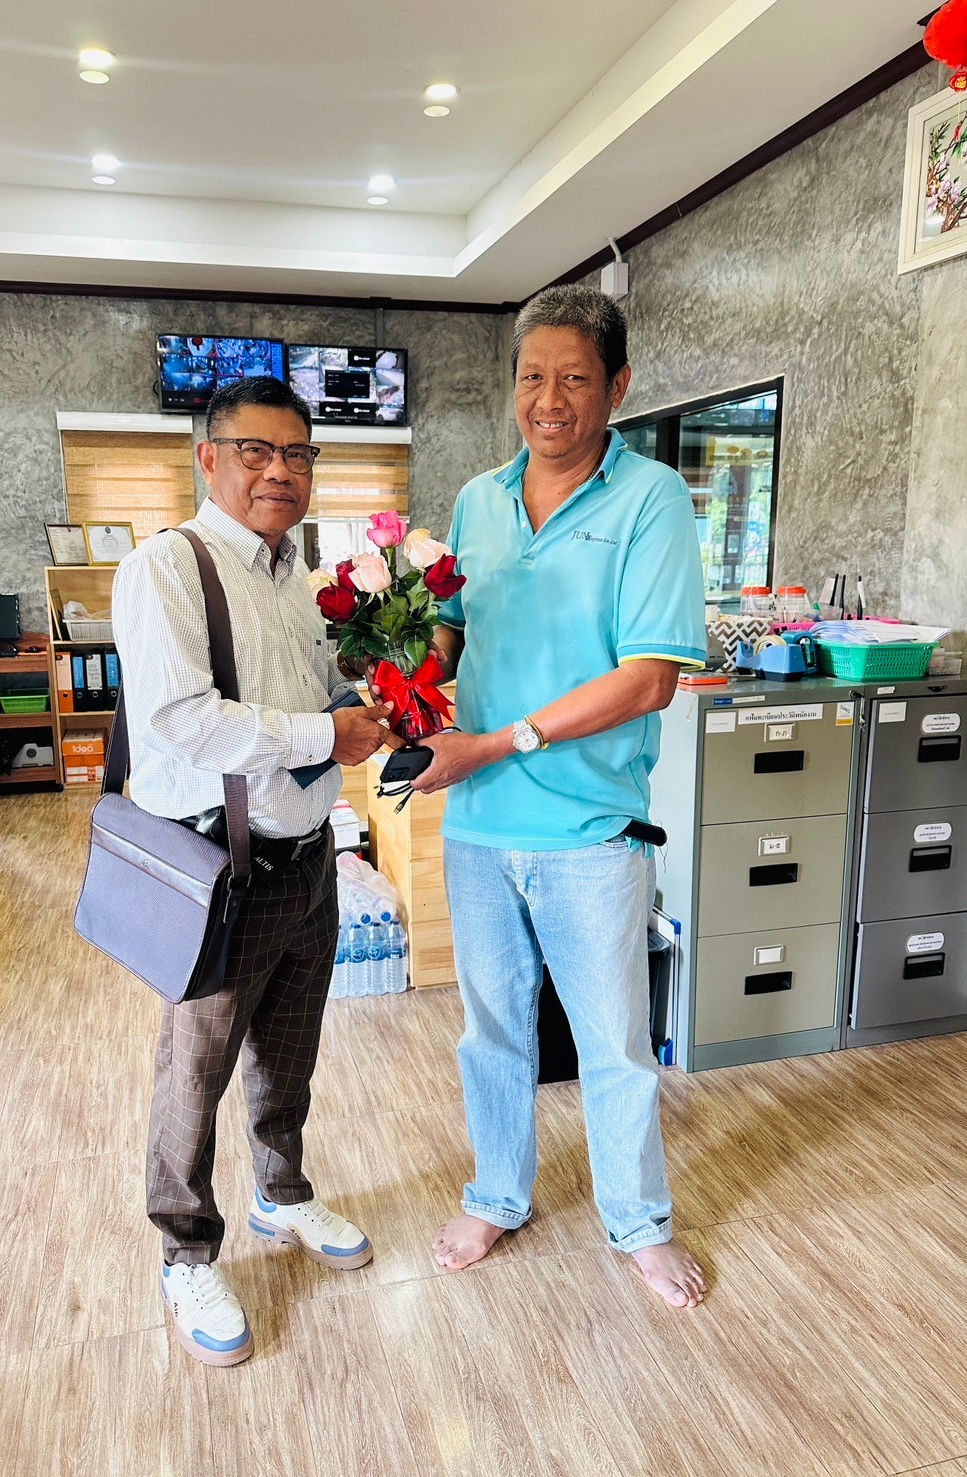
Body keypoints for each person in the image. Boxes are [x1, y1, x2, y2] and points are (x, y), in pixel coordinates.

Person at [410, 284, 708, 1309]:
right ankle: (497, 1194)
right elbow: (450, 633)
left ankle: (640, 1221)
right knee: (492, 1030)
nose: (549, 399)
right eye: (532, 376)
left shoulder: (651, 499)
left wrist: (502, 740)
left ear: (616, 387)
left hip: (590, 829)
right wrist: (397, 665)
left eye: (574, 378)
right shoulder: (477, 501)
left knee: (611, 1040)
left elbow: (649, 678)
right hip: (479, 824)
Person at [111, 375, 395, 1366]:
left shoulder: (295, 573)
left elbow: (312, 690)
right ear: (209, 458)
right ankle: (185, 1248)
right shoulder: (166, 568)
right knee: (196, 1069)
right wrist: (325, 731)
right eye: (256, 451)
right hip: (222, 868)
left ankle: (282, 1192)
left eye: (298, 454)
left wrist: (371, 693)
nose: (280, 471)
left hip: (311, 858)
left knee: (289, 1048)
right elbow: (181, 719)